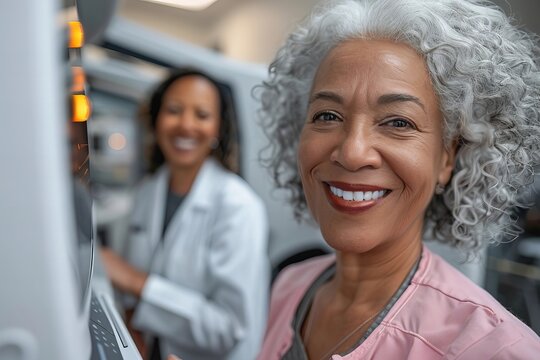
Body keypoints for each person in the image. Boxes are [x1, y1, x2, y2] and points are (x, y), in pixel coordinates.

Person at [256, 0, 540, 358]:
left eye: (398, 122)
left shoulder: (490, 347)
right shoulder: (292, 287)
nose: (352, 151)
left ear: (448, 156)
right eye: (327, 115)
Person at [100, 68, 270, 360]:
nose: (186, 125)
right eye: (174, 111)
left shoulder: (238, 207)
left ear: (218, 128)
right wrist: (131, 320)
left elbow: (228, 329)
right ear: (156, 120)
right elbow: (130, 290)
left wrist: (136, 282)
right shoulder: (147, 192)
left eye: (202, 115)